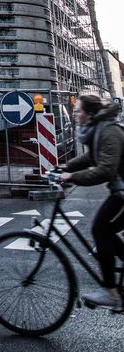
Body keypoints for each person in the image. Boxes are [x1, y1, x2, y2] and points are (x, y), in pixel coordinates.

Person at [59, 94, 124, 309]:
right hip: (120, 191)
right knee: (106, 232)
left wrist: (73, 177)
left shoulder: (109, 132)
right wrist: (66, 167)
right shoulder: (100, 130)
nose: (75, 114)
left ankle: (112, 295)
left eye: (78, 110)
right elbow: (91, 158)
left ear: (90, 114)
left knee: (100, 230)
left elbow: (105, 170)